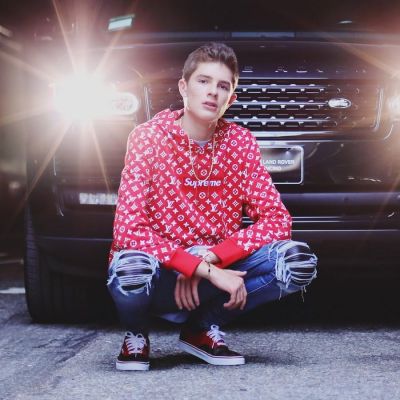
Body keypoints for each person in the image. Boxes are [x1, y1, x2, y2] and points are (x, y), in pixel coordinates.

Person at [107, 42, 317, 371]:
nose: (212, 92)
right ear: (183, 87)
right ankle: (136, 334)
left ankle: (202, 328)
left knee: (297, 261)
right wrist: (195, 266)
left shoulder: (240, 142)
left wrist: (211, 259)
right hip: (160, 272)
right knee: (131, 266)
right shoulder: (148, 137)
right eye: (203, 81)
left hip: (216, 272)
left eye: (222, 86)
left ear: (230, 99)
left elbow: (277, 220)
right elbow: (128, 229)